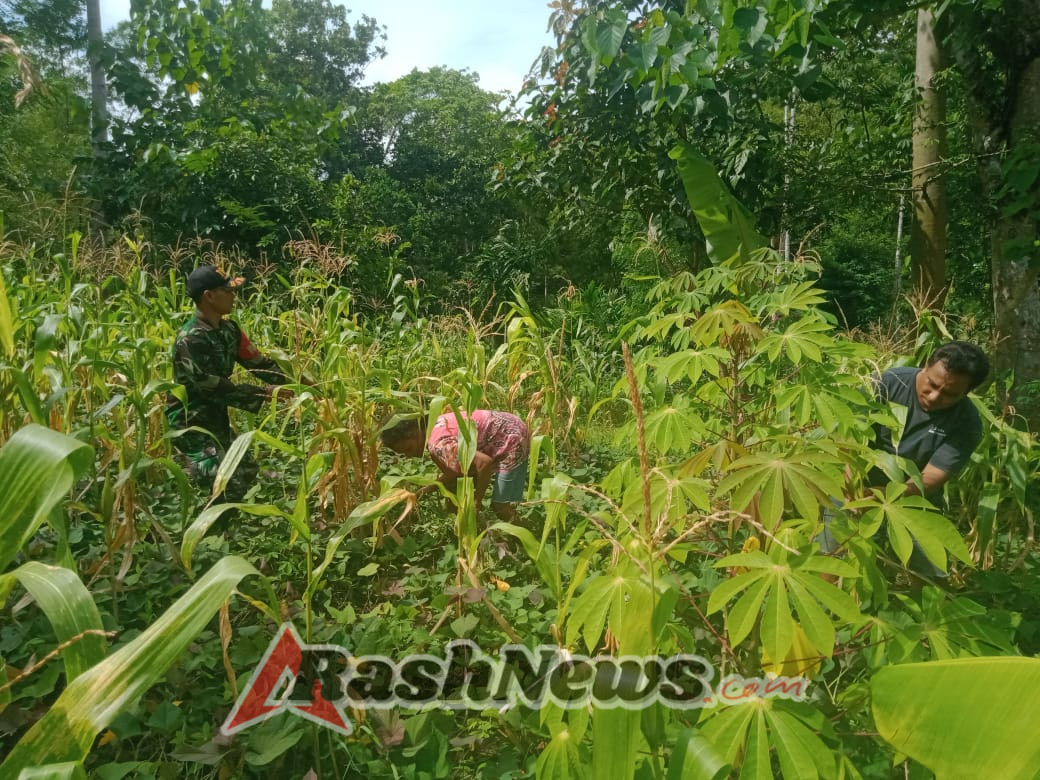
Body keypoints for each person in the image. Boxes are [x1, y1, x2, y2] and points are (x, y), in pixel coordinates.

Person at [820, 341, 990, 577]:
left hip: (913, 493)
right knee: (832, 555)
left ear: (966, 393)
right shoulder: (887, 383)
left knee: (931, 570)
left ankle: (927, 601)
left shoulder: (967, 422)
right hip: (855, 481)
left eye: (949, 394)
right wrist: (851, 483)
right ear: (925, 366)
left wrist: (886, 496)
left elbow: (933, 475)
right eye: (932, 384)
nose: (934, 396)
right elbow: (849, 437)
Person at [166, 265, 295, 500]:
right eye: (227, 290)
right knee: (224, 488)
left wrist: (297, 382)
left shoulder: (229, 330)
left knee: (247, 472)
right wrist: (263, 393)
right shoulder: (190, 340)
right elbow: (211, 387)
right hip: (192, 424)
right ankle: (196, 505)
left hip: (217, 417)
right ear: (209, 296)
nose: (233, 295)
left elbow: (258, 363)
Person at [380, 410, 530, 521]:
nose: (409, 455)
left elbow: (485, 463)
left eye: (408, 448)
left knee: (501, 507)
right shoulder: (434, 424)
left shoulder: (439, 445)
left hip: (511, 439)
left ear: (415, 433)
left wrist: (476, 501)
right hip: (512, 425)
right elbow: (454, 473)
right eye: (403, 453)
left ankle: (529, 544)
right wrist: (424, 491)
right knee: (457, 489)